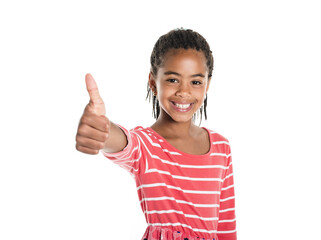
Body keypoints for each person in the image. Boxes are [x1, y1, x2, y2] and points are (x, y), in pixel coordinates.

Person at [75, 28, 237, 240]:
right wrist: (103, 130)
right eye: (172, 80)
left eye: (196, 82)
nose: (184, 91)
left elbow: (226, 228)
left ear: (207, 85)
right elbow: (124, 142)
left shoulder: (221, 148)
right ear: (153, 82)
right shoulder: (146, 146)